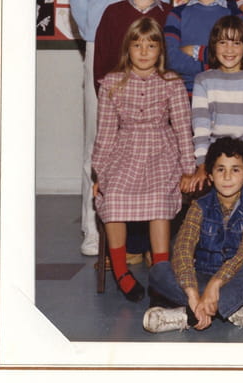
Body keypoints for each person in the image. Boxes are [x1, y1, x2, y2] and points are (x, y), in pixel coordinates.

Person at [69, 0, 174, 256]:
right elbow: (79, 0)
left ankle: (144, 234)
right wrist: (100, 41)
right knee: (99, 139)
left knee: (150, 140)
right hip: (105, 48)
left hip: (151, 53)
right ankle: (93, 228)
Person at [92, 18, 194, 302]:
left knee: (159, 199)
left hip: (161, 151)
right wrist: (100, 173)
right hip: (125, 152)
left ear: (160, 50)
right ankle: (121, 271)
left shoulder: (171, 83)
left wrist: (188, 169)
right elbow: (105, 133)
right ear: (128, 49)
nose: (144, 52)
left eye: (151, 46)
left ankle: (161, 272)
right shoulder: (112, 83)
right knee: (113, 197)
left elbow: (183, 129)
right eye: (137, 45)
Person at [143, 137, 243, 333]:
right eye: (220, 169)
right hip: (201, 278)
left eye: (235, 170)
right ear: (210, 175)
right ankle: (229, 310)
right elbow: (183, 248)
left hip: (235, 278)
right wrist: (192, 293)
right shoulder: (199, 206)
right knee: (159, 270)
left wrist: (216, 283)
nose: (227, 177)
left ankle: (187, 315)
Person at [188, 16, 243, 194]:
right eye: (223, 42)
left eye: (236, 43)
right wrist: (202, 165)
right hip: (215, 155)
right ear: (214, 46)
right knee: (199, 189)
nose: (229, 50)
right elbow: (201, 128)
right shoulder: (203, 80)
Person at [93, 0, 171, 93]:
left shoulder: (171, 15)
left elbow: (174, 64)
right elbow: (101, 64)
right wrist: (107, 95)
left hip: (159, 97)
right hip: (119, 95)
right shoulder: (112, 13)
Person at [164, 0, 241, 95]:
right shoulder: (177, 14)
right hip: (185, 95)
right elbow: (169, 57)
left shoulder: (235, 15)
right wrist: (212, 63)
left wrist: (196, 51)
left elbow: (241, 57)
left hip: (225, 93)